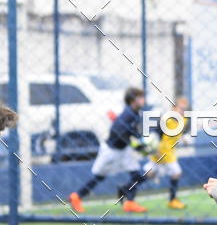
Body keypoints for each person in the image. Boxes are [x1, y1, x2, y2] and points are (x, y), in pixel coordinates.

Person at [69, 86, 148, 214]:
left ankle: (129, 202)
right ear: (133, 100)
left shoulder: (135, 114)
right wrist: (136, 145)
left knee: (137, 175)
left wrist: (142, 144)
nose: (144, 100)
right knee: (99, 177)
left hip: (124, 150)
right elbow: (117, 132)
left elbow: (132, 133)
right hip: (111, 150)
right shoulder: (127, 115)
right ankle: (76, 197)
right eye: (141, 98)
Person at [144, 96, 189, 210]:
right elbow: (154, 136)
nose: (183, 111)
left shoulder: (183, 120)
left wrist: (183, 139)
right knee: (177, 172)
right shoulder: (165, 120)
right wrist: (156, 151)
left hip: (170, 151)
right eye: (181, 109)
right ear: (173, 108)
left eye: (185, 109)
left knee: (150, 173)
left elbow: (179, 131)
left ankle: (127, 188)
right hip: (161, 151)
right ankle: (172, 200)